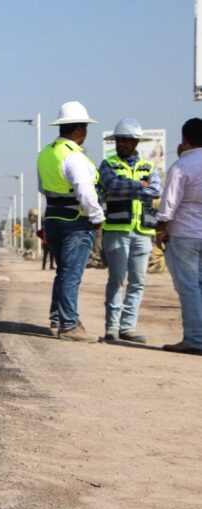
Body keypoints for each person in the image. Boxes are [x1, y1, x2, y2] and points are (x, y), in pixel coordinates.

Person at [37, 101, 105, 341]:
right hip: (76, 222)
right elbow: (85, 192)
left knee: (63, 272)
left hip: (53, 220)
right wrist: (97, 218)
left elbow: (43, 188)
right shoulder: (74, 157)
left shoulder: (47, 154)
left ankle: (57, 318)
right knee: (71, 274)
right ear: (79, 129)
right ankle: (69, 324)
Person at [97, 118, 161, 343]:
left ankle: (128, 327)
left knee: (137, 281)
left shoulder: (149, 166)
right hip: (117, 229)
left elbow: (155, 191)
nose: (121, 144)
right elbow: (111, 185)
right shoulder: (108, 164)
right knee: (116, 278)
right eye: (119, 140)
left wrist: (130, 188)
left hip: (143, 231)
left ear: (135, 142)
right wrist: (139, 186)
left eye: (126, 140)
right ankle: (112, 327)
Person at [155, 118, 202, 355]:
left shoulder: (182, 166)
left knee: (189, 288)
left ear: (185, 139)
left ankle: (195, 339)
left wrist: (160, 229)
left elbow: (168, 205)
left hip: (185, 234)